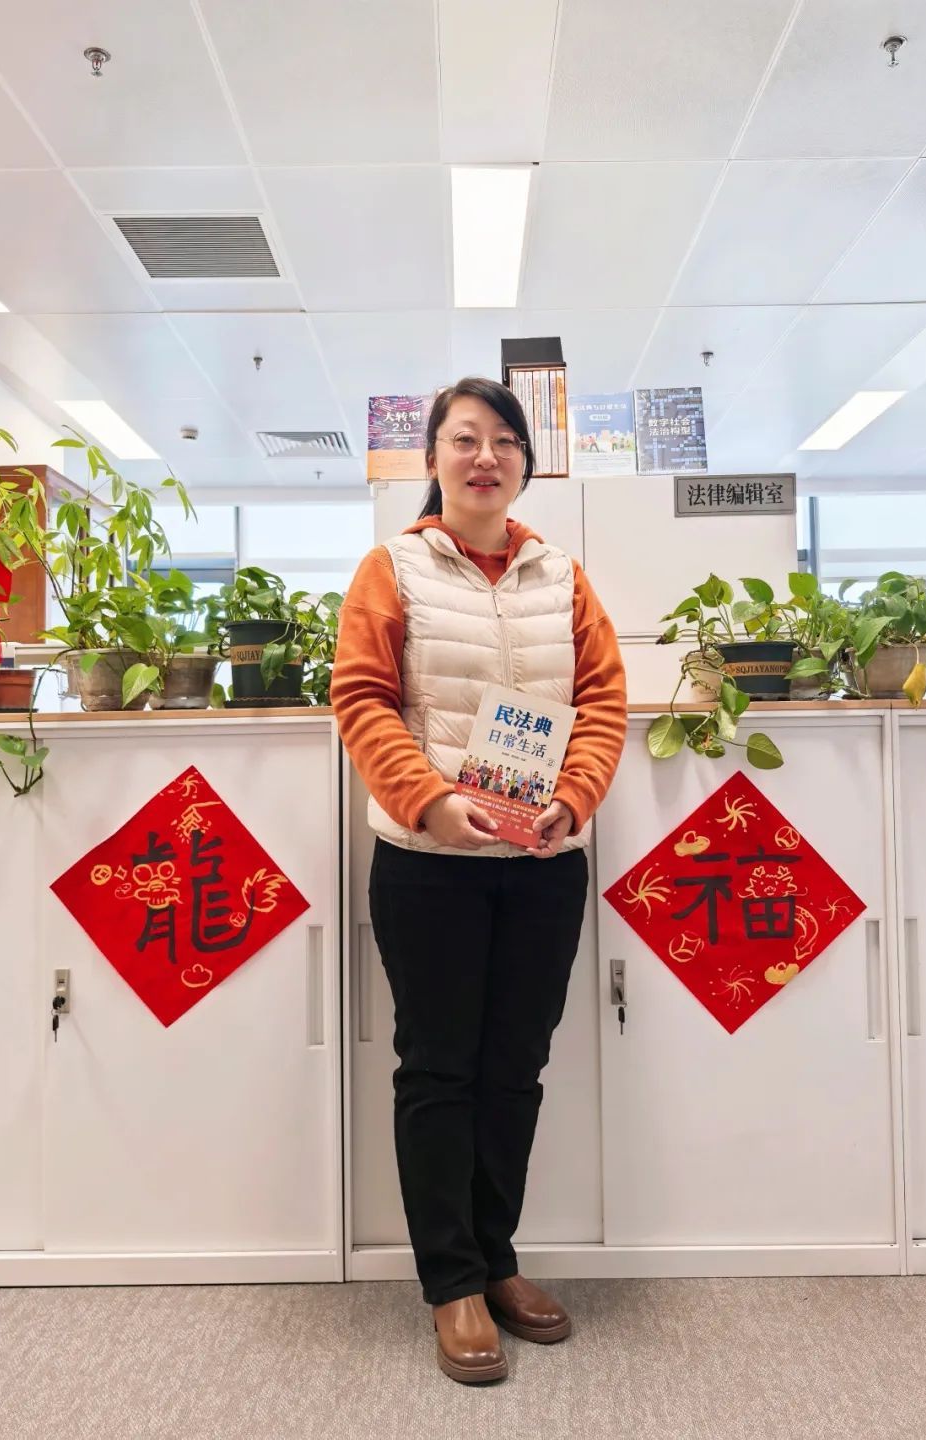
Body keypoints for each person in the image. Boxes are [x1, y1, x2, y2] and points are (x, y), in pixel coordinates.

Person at [331, 375, 627, 1385]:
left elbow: (603, 703)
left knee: (515, 1070)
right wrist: (425, 801)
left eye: (504, 440)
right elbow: (362, 698)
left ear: (526, 463)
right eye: (464, 439)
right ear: (433, 459)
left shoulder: (562, 575)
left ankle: (497, 1259)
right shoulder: (393, 569)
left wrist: (574, 799)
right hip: (429, 867)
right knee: (440, 1069)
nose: (485, 456)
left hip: (542, 865)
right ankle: (451, 1282)